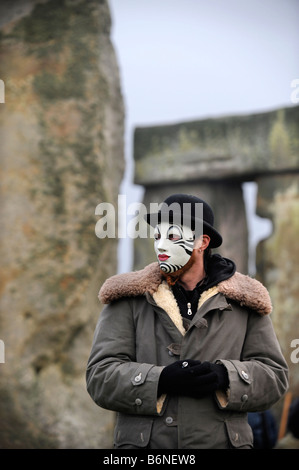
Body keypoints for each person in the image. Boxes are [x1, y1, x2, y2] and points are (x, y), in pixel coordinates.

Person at [86, 193, 288, 449]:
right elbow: (99, 376)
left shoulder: (247, 301)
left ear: (202, 242)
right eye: (157, 237)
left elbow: (275, 376)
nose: (160, 246)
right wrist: (159, 380)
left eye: (171, 237)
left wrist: (225, 376)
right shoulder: (127, 298)